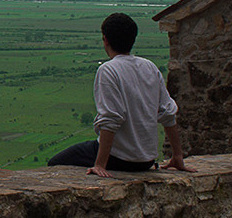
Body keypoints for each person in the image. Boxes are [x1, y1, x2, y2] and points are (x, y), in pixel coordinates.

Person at [48, 12, 195, 177]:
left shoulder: (108, 70)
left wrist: (100, 165)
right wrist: (177, 156)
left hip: (119, 158)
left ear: (105, 39)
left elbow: (111, 119)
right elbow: (168, 112)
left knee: (55, 163)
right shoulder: (149, 67)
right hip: (146, 160)